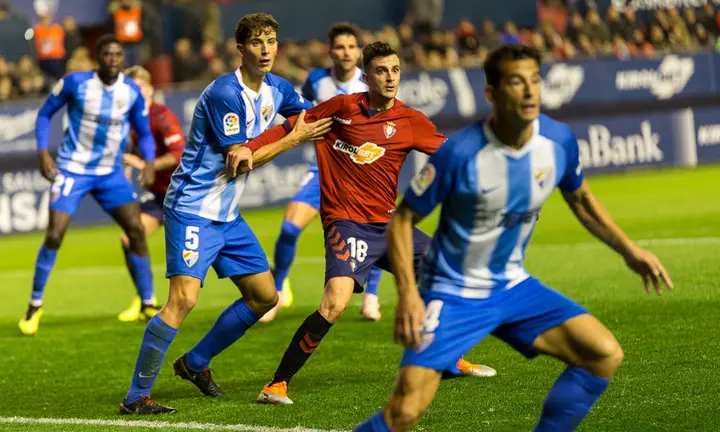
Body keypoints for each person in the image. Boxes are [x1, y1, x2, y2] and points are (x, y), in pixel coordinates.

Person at [353, 44, 674, 432]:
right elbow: (402, 220)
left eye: (535, 80)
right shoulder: (460, 154)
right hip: (452, 292)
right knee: (404, 412)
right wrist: (408, 295)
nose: (529, 91)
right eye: (516, 82)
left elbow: (581, 199)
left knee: (603, 354)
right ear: (492, 93)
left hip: (512, 285)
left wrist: (629, 250)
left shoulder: (557, 140)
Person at [226, 41, 496, 406]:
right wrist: (249, 146)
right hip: (347, 224)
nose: (390, 78)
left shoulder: (410, 121)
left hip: (389, 226)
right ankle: (276, 384)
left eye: (395, 70)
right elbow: (290, 126)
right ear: (366, 77)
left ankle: (449, 359)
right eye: (381, 71)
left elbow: (455, 157)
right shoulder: (341, 109)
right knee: (335, 303)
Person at [119, 13, 333, 415]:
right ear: (240, 49)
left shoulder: (278, 88)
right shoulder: (224, 94)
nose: (266, 49)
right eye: (256, 42)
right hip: (192, 208)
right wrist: (294, 139)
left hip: (227, 214)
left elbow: (313, 117)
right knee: (183, 301)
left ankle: (195, 362)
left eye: (271, 41)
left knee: (265, 296)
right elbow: (240, 160)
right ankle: (135, 397)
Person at [19, 35, 156, 336]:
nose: (113, 59)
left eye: (118, 54)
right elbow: (44, 114)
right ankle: (34, 305)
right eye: (107, 54)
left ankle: (148, 301)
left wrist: (148, 162)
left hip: (110, 173)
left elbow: (144, 132)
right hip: (73, 169)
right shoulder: (76, 83)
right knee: (55, 234)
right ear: (98, 57)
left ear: (123, 59)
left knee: (135, 229)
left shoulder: (131, 91)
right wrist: (42, 152)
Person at [264, 22, 385, 323]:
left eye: (351, 47)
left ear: (359, 51)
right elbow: (303, 112)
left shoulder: (370, 83)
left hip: (361, 172)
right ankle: (277, 291)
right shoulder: (316, 81)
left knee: (377, 233)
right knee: (289, 227)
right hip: (323, 168)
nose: (346, 53)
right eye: (340, 47)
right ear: (331, 52)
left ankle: (371, 297)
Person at [117, 65, 186, 323]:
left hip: (183, 193)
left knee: (208, 251)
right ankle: (144, 299)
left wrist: (147, 165)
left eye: (138, 88)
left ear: (149, 89)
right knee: (129, 239)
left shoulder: (162, 116)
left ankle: (270, 280)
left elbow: (179, 154)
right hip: (158, 197)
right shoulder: (129, 119)